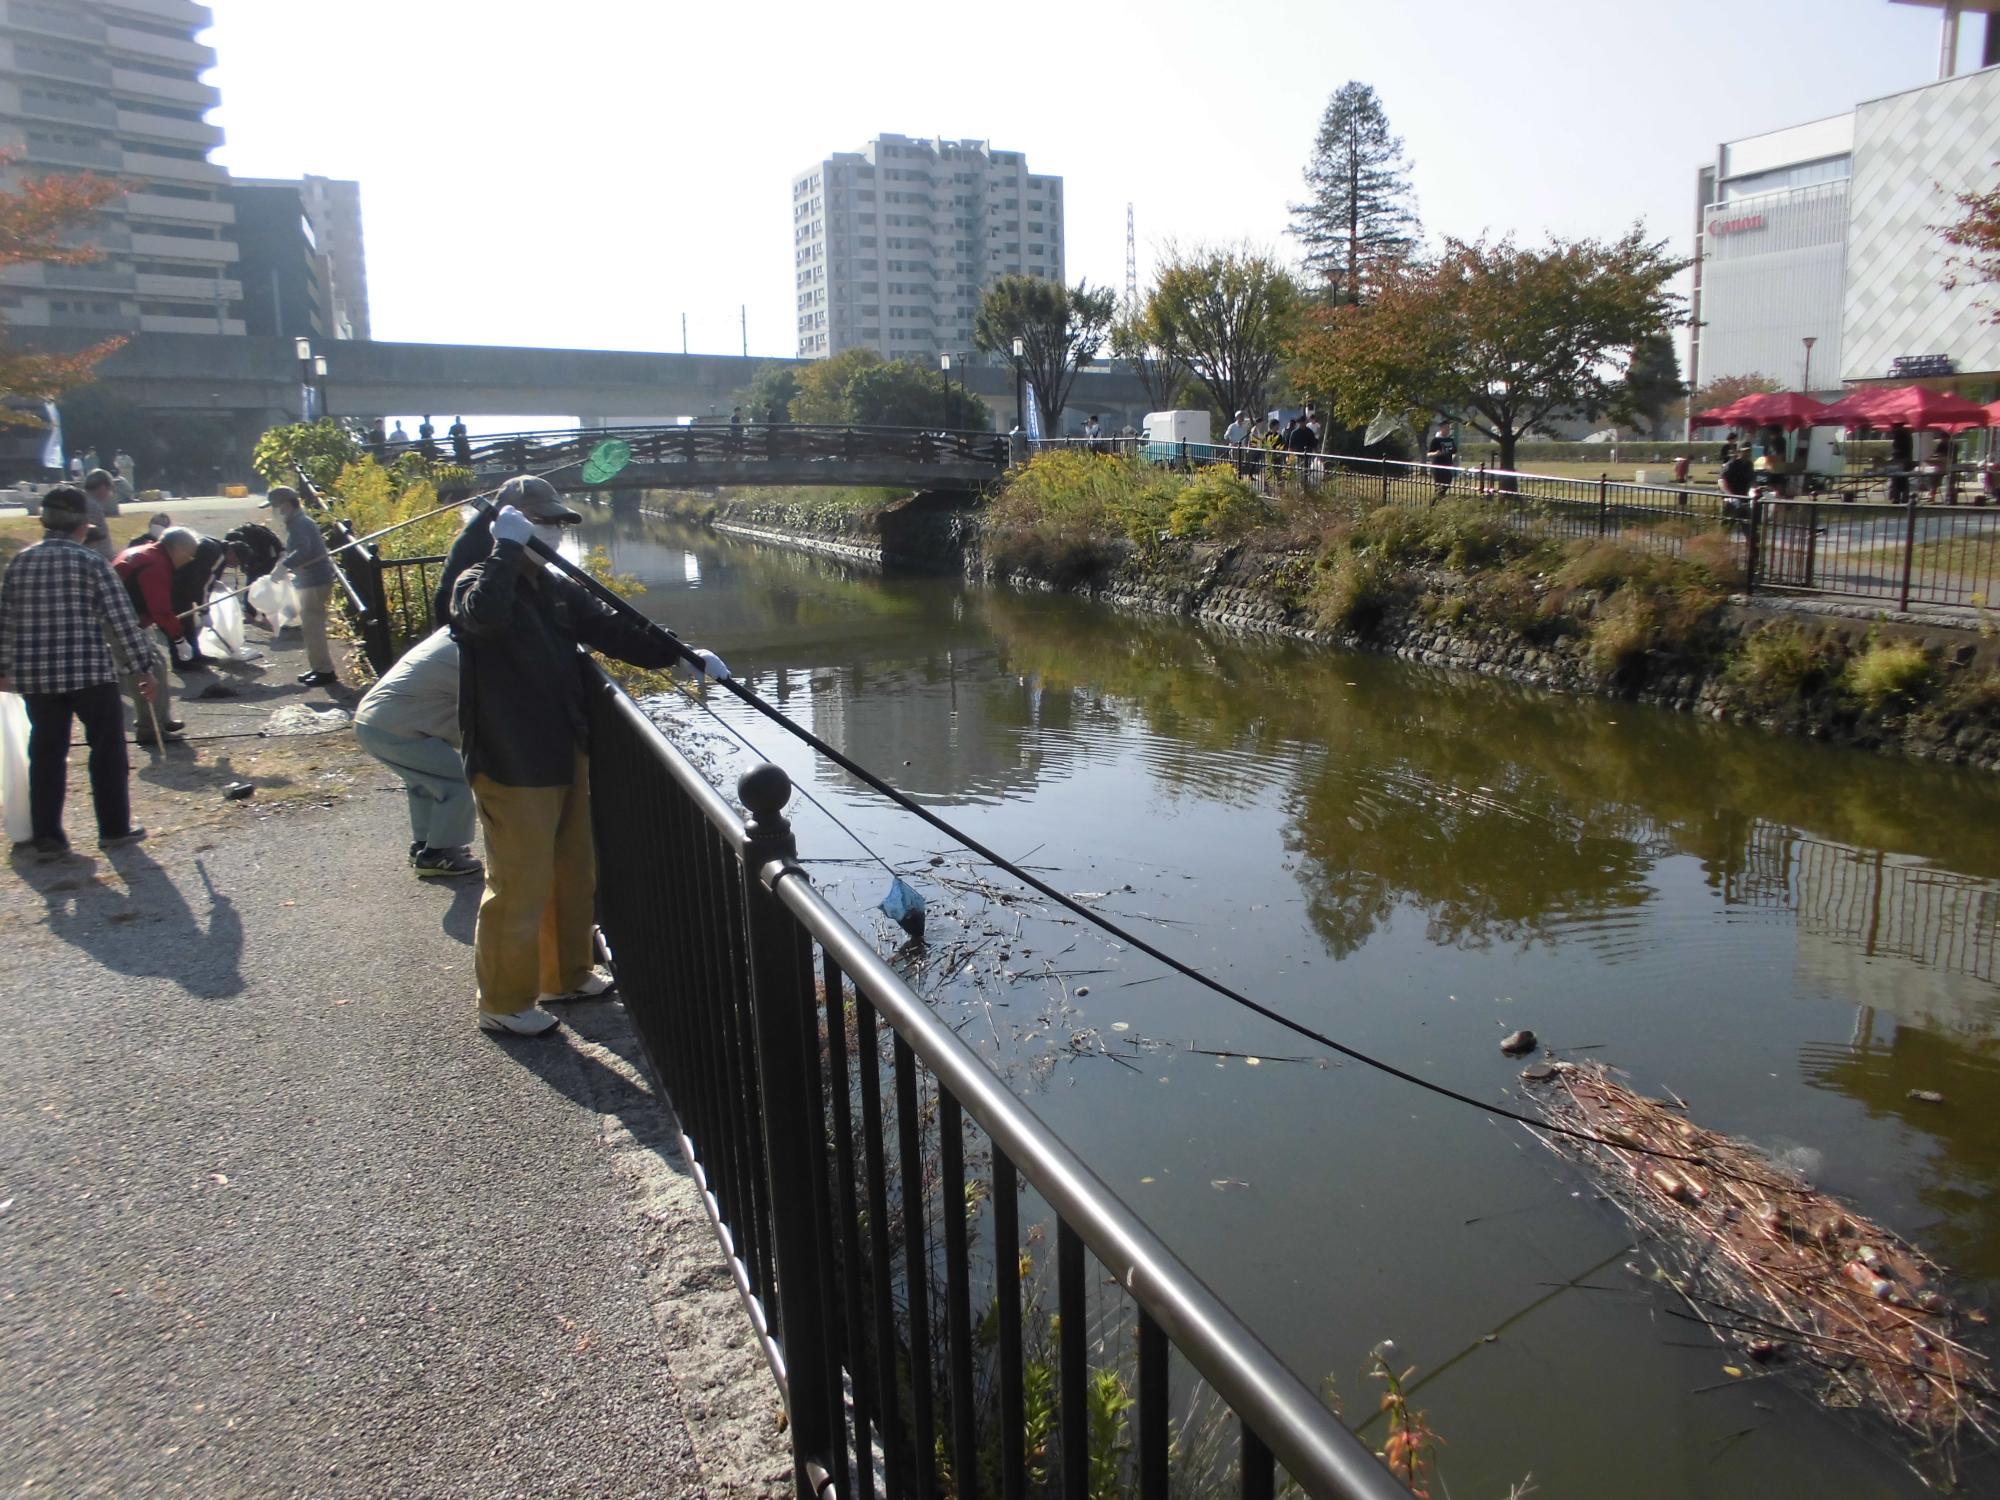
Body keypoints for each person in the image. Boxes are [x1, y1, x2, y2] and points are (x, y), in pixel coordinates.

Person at [448, 476, 683, 1036]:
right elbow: (481, 619)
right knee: (519, 883)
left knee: (572, 871)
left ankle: (566, 974)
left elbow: (613, 630)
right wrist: (504, 547)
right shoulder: (478, 579)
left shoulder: (553, 587)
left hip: (564, 746)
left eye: (556, 524)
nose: (553, 533)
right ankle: (503, 1002)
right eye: (543, 523)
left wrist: (681, 653)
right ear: (513, 524)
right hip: (512, 756)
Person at [0, 486, 157, 856]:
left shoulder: (20, 563)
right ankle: (114, 828)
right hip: (89, 673)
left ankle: (48, 836)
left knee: (46, 751)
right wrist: (142, 668)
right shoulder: (91, 563)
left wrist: (3, 666)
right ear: (83, 527)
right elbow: (121, 621)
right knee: (106, 749)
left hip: (37, 676)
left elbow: (5, 622)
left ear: (43, 522)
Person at [353, 625, 481, 879]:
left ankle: (424, 845)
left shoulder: (450, 636)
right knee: (458, 781)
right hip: (394, 726)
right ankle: (440, 852)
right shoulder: (468, 651)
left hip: (373, 722)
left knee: (424, 784)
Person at [112, 526, 199, 745]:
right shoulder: (155, 564)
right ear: (177, 548)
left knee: (158, 665)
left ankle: (161, 719)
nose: (189, 560)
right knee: (142, 672)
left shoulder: (146, 553)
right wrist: (178, 637)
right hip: (118, 623)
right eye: (189, 554)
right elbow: (160, 608)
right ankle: (149, 728)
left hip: (129, 620)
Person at [263, 485, 339, 686]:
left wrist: (283, 567)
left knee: (313, 627)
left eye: (275, 506)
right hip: (308, 580)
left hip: (314, 581)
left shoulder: (300, 524)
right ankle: (318, 667)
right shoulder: (298, 522)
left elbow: (303, 550)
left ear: (286, 505)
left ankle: (325, 671)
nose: (274, 511)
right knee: (309, 627)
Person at [78, 469, 120, 561]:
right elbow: (102, 543)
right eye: (110, 489)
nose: (110, 494)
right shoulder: (93, 507)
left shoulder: (79, 499)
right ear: (103, 487)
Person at [1426, 422, 1458, 501]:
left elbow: (1454, 451)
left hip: (1447, 467)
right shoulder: (1436, 440)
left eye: (1449, 428)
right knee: (1439, 487)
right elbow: (1429, 454)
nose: (1448, 430)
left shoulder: (1450, 440)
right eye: (1446, 428)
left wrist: (1454, 457)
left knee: (1447, 483)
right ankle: (1433, 505)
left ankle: (1438, 501)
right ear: (1441, 428)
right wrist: (1436, 453)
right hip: (1437, 467)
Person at [1887, 422, 1914, 504]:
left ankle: (1897, 498)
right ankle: (1901, 498)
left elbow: (1898, 450)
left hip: (1902, 460)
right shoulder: (1906, 434)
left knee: (1899, 479)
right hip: (1904, 460)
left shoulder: (1901, 435)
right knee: (1902, 480)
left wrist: (1894, 455)